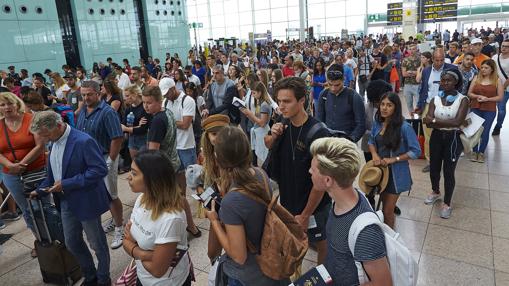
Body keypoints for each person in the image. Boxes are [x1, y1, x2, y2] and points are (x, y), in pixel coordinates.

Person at [29, 110, 111, 286]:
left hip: (86, 200)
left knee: (97, 244)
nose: (44, 139)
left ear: (58, 126)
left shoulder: (83, 141)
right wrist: (41, 189)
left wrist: (67, 183)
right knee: (72, 243)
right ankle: (90, 276)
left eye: (47, 134)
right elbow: (54, 174)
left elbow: (99, 170)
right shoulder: (54, 142)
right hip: (65, 201)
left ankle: (104, 278)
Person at [205, 126, 289, 286]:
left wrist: (215, 221)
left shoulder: (231, 201)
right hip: (271, 262)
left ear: (218, 159)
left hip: (245, 277)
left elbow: (239, 256)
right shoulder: (261, 174)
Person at [264, 77, 330, 265]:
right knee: (293, 239)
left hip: (314, 205)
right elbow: (268, 144)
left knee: (322, 241)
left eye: (287, 101)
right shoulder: (282, 122)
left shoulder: (318, 132)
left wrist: (306, 214)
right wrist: (273, 134)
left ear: (302, 100)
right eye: (279, 101)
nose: (281, 106)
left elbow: (322, 182)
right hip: (288, 197)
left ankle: (322, 275)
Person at [309, 137, 392, 286]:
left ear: (328, 180)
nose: (309, 172)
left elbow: (383, 283)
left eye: (313, 169)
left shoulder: (366, 232)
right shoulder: (343, 201)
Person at [123, 150, 192, 286]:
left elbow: (157, 270)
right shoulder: (142, 199)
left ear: (153, 179)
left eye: (134, 173)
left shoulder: (171, 219)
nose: (128, 177)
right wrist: (145, 255)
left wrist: (134, 249)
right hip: (142, 278)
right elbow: (126, 241)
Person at [76, 80, 125, 249]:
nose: (86, 97)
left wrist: (111, 160)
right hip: (88, 160)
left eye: (89, 94)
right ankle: (113, 220)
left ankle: (120, 228)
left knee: (111, 195)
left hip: (104, 157)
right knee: (98, 194)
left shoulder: (107, 112)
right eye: (83, 94)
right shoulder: (83, 110)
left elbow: (117, 137)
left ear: (98, 93)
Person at [0, 92, 46, 257]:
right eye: (2, 105)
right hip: (11, 174)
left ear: (16, 103)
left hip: (36, 170)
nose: (6, 107)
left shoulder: (31, 119)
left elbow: (40, 145)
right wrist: (10, 165)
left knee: (43, 207)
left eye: (9, 103)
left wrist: (22, 164)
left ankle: (55, 238)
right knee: (27, 210)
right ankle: (40, 240)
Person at [368, 92, 421, 228]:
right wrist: (374, 154)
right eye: (383, 104)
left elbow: (416, 151)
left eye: (389, 105)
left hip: (396, 175)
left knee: (387, 211)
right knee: (382, 207)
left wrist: (394, 159)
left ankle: (391, 242)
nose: (384, 108)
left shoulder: (404, 127)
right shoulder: (377, 123)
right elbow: (371, 141)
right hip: (380, 173)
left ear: (396, 108)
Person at [423, 69, 469, 219]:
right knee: (434, 168)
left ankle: (447, 203)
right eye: (443, 80)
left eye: (448, 80)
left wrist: (435, 121)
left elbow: (458, 122)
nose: (445, 83)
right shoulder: (435, 99)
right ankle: (435, 191)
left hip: (453, 139)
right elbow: (427, 122)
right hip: (436, 137)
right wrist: (443, 123)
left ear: (456, 82)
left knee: (449, 171)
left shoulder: (463, 100)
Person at [160, 78, 201, 238]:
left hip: (187, 145)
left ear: (173, 88)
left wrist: (168, 121)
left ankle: (203, 205)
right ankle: (185, 204)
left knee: (195, 178)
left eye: (167, 93)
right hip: (173, 146)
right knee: (179, 180)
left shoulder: (187, 100)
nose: (167, 96)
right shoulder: (166, 101)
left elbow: (185, 124)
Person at [416, 49, 457, 173]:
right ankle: (430, 161)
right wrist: (419, 105)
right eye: (437, 60)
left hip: (445, 106)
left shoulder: (452, 69)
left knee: (445, 134)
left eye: (442, 60)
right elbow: (423, 89)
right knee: (428, 136)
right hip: (429, 105)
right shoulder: (427, 70)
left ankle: (446, 159)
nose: (439, 63)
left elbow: (458, 86)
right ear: (432, 59)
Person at [316, 64, 366, 142]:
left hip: (347, 143)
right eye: (330, 84)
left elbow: (361, 124)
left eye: (337, 85)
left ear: (344, 79)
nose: (333, 89)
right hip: (327, 142)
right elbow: (319, 120)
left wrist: (350, 140)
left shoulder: (354, 97)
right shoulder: (323, 94)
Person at [467, 59, 504, 163]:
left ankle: (481, 152)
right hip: (475, 107)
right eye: (482, 67)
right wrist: (478, 96)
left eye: (486, 68)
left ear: (492, 69)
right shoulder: (476, 78)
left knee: (485, 131)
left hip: (489, 109)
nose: (483, 69)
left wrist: (487, 99)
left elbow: (500, 97)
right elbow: (469, 93)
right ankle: (474, 151)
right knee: (474, 130)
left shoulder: (497, 80)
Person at [240, 82, 272, 165]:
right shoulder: (260, 103)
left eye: (254, 93)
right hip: (258, 131)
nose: (252, 95)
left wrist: (250, 114)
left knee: (262, 157)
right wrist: (248, 114)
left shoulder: (264, 104)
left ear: (260, 92)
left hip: (263, 132)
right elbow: (256, 121)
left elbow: (262, 123)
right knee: (257, 155)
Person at [121, 85, 151, 160]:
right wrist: (137, 126)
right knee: (135, 162)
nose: (125, 98)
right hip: (132, 139)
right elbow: (123, 126)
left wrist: (128, 128)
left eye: (127, 96)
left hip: (143, 139)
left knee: (144, 163)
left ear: (135, 94)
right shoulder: (129, 108)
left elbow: (142, 129)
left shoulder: (144, 107)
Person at [492, 39, 509, 136]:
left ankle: (498, 126)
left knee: (501, 109)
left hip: (505, 88)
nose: (504, 48)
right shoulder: (495, 57)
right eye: (503, 46)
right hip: (496, 87)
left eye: (506, 46)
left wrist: (502, 87)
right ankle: (495, 126)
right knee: (497, 108)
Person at [401, 44, 421, 116]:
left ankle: (419, 119)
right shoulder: (405, 60)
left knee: (419, 104)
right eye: (410, 49)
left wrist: (411, 72)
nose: (412, 51)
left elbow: (421, 72)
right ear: (408, 50)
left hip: (417, 85)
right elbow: (404, 74)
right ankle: (412, 119)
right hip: (407, 84)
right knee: (409, 105)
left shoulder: (420, 60)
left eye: (413, 49)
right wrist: (416, 72)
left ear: (416, 50)